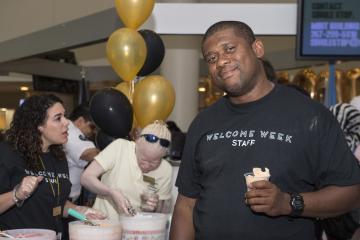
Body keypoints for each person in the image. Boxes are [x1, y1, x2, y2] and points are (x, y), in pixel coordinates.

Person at [170, 21, 360, 240]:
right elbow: (186, 205)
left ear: (257, 49)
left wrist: (288, 203)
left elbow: (352, 192)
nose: (221, 61)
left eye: (229, 49)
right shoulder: (203, 123)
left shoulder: (310, 116)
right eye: (211, 58)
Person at [0, 94, 106, 239]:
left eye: (65, 116)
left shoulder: (58, 157)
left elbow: (57, 204)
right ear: (38, 125)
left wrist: (78, 210)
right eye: (58, 118)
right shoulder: (8, 154)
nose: (67, 122)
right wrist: (16, 195)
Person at [81, 120, 173, 220]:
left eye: (153, 162)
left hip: (136, 231)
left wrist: (154, 207)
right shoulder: (120, 148)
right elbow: (86, 178)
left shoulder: (166, 170)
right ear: (136, 143)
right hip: (104, 224)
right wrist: (110, 192)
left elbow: (164, 213)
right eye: (143, 159)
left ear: (163, 157)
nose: (146, 166)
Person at [64, 105, 99, 203]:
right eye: (92, 126)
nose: (93, 132)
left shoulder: (68, 130)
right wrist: (113, 151)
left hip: (68, 197)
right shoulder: (71, 131)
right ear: (80, 121)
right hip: (65, 200)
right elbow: (88, 153)